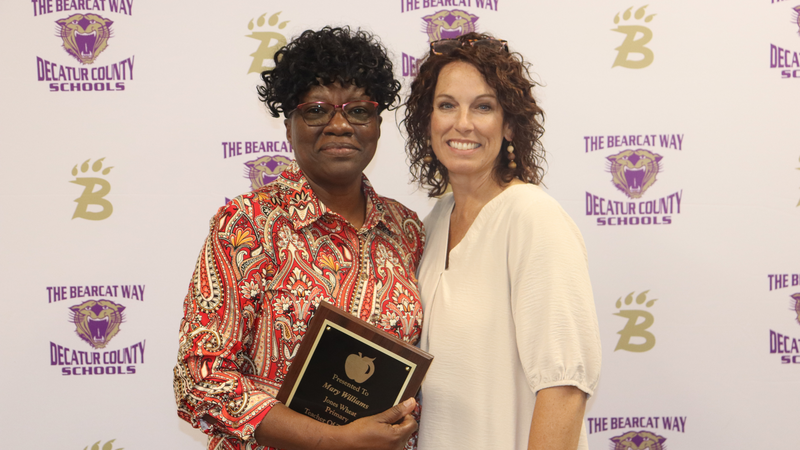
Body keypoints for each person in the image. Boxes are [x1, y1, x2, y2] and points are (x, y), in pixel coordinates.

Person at [174, 27, 425, 450]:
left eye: (358, 111)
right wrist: (332, 440)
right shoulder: (247, 224)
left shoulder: (407, 230)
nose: (340, 125)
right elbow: (201, 379)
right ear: (288, 126)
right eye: (317, 110)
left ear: (378, 125)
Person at [403, 33, 601, 450]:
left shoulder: (532, 217)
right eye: (446, 105)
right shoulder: (432, 225)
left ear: (509, 124)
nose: (463, 123)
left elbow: (563, 388)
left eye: (483, 106)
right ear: (428, 121)